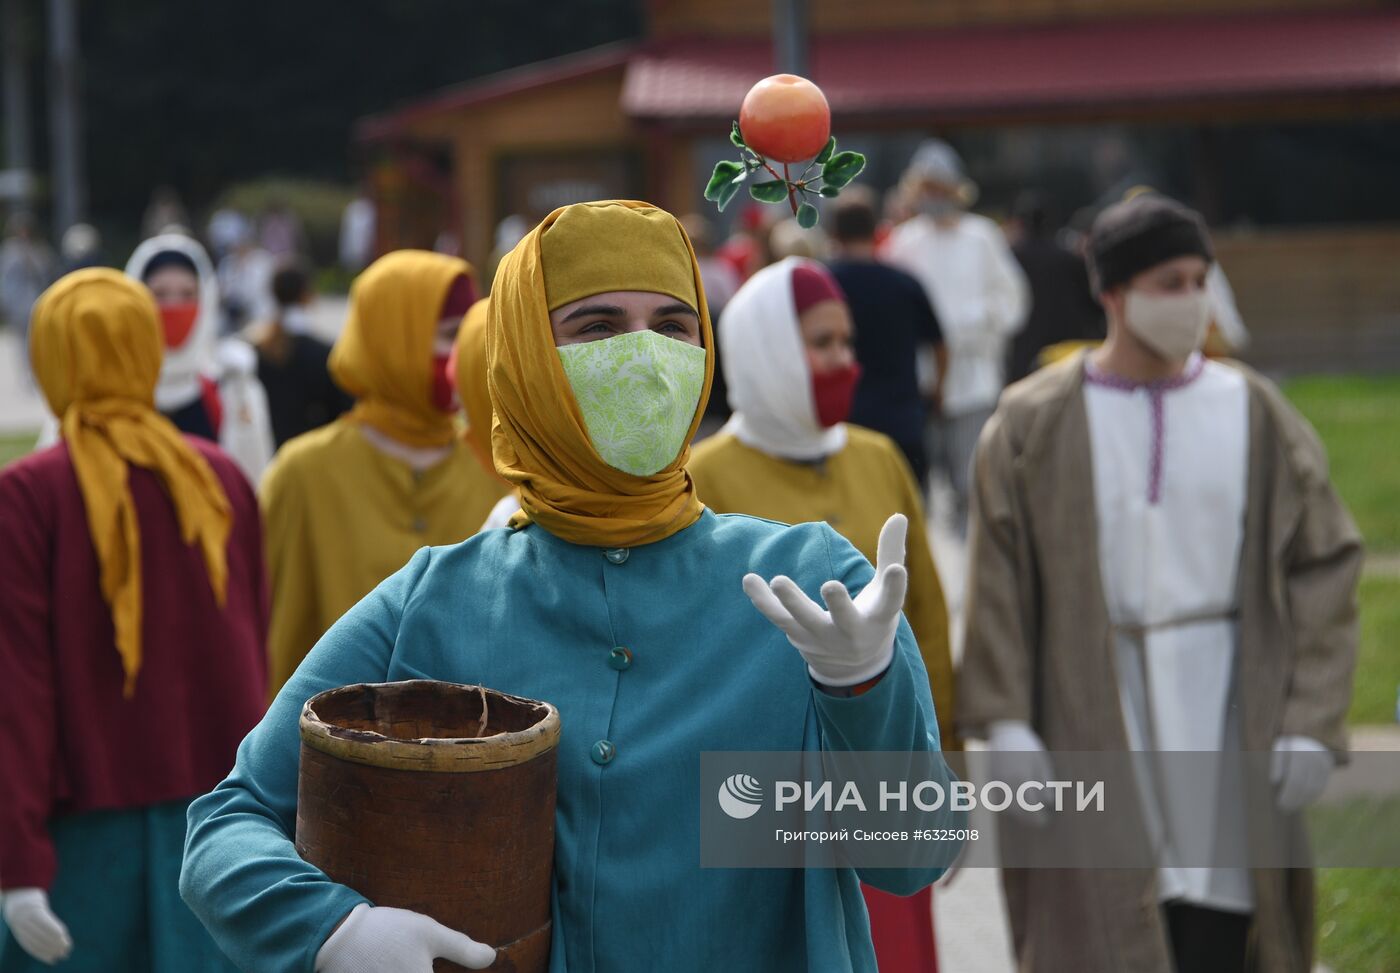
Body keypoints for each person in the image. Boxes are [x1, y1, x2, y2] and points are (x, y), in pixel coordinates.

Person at [180, 200, 954, 973]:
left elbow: (910, 857)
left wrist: (862, 687)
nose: (646, 356)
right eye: (597, 327)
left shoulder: (811, 586)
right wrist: (334, 931)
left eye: (675, 327)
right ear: (523, 356)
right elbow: (227, 822)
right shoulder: (434, 600)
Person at [958, 194, 1361, 973]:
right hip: (1093, 707)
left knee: (1225, 919)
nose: (1192, 301)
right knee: (1100, 922)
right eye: (1170, 282)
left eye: (1200, 279)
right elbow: (998, 575)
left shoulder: (1252, 409)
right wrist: (1005, 721)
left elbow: (1325, 560)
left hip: (1224, 703)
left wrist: (1311, 718)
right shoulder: (1031, 420)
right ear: (1113, 293)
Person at [687, 256, 955, 971]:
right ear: (766, 345)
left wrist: (943, 765)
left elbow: (925, 616)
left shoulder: (879, 457)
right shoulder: (701, 476)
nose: (845, 360)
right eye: (822, 342)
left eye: (848, 342)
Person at [0, 269, 268, 973]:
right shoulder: (220, 479)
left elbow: (15, 693)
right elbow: (255, 652)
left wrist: (16, 861)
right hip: (221, 830)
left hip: (81, 841)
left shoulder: (27, 496)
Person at [258, 250, 506, 695]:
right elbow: (278, 637)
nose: (467, 354)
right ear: (395, 342)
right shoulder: (302, 474)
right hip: (327, 743)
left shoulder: (496, 461)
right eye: (451, 335)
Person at [885, 139, 1029, 534]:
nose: (933, 197)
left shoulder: (981, 236)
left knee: (974, 480)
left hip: (974, 379)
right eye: (926, 189)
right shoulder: (905, 242)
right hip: (922, 381)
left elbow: (1013, 299)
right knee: (920, 488)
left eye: (939, 188)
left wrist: (976, 321)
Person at [125, 233, 275, 482]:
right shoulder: (113, 392)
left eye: (187, 295)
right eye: (159, 295)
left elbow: (252, 486)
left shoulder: (229, 389)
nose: (173, 306)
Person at [827, 188, 947, 490]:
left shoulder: (823, 284)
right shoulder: (905, 282)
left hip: (842, 425)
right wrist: (937, 392)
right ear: (876, 230)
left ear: (834, 233)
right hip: (903, 422)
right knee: (907, 523)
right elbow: (940, 344)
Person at [245, 258, 352, 448]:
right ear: (307, 295)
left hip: (264, 455)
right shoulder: (325, 353)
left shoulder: (252, 348)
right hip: (311, 460)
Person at [1003, 191, 1104, 383]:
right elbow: (1094, 302)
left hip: (1024, 356)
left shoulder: (1009, 258)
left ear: (1018, 223)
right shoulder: (1069, 258)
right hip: (1068, 354)